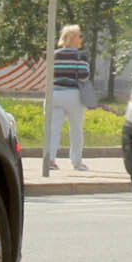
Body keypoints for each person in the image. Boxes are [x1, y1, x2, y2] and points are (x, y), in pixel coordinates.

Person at [43, 24, 93, 176]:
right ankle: (76, 162)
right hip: (73, 95)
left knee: (53, 129)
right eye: (80, 36)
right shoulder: (80, 56)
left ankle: (50, 160)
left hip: (54, 95)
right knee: (76, 129)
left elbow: (48, 75)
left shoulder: (53, 54)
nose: (81, 39)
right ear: (73, 38)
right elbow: (84, 75)